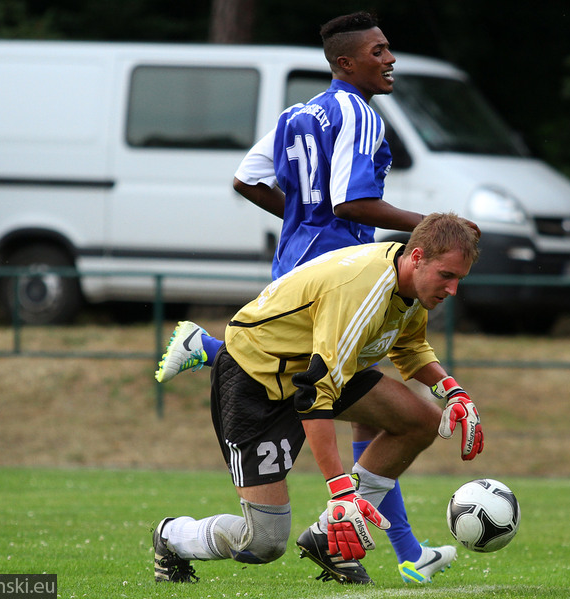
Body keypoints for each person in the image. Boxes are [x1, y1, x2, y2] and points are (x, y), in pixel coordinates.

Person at [154, 11, 478, 584]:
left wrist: (298, 222)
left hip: (296, 270)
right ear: (346, 63)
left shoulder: (296, 114)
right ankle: (363, 533)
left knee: (401, 420)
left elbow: (245, 179)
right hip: (333, 277)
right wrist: (428, 226)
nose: (390, 59)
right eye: (378, 51)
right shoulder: (361, 115)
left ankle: (357, 538)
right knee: (266, 536)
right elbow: (352, 203)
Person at [152, 213, 484, 586]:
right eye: (447, 276)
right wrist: (340, 490)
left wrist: (452, 389)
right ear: (418, 256)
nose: (453, 289)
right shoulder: (365, 291)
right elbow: (314, 394)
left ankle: (328, 537)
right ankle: (172, 536)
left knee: (421, 421)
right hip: (255, 379)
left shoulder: (409, 282)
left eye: (459, 279)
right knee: (263, 542)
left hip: (306, 370)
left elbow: (408, 346)